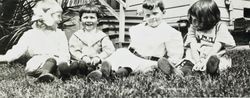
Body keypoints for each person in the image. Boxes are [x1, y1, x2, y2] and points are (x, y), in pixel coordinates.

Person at [92, 0, 185, 79]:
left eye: (155, 13)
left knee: (129, 68)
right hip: (134, 56)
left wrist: (170, 65)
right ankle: (102, 71)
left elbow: (175, 56)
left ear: (163, 12)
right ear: (144, 16)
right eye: (148, 15)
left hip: (150, 61)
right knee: (121, 53)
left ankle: (113, 74)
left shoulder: (170, 32)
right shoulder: (139, 29)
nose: (152, 18)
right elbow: (133, 46)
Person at [0, 0, 71, 82]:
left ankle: (53, 74)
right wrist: (4, 58)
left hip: (57, 62)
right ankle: (45, 74)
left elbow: (64, 52)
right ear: (47, 17)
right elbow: (17, 51)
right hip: (37, 63)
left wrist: (65, 63)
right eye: (58, 16)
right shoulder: (30, 34)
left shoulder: (60, 34)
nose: (61, 19)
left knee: (60, 64)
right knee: (51, 60)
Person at [184, 0, 236, 76]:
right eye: (192, 19)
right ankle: (181, 72)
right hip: (197, 56)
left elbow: (216, 47)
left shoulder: (219, 27)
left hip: (214, 55)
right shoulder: (193, 27)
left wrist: (205, 61)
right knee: (189, 61)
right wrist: (198, 61)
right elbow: (193, 46)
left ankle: (209, 70)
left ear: (208, 19)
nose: (193, 23)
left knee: (215, 62)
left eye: (197, 20)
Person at [68, 3, 115, 79]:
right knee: (78, 65)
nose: (88, 20)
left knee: (103, 65)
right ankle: (83, 73)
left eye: (92, 17)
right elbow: (73, 50)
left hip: (95, 63)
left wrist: (98, 57)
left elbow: (109, 50)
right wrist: (82, 56)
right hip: (81, 62)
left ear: (98, 20)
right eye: (85, 17)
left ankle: (99, 73)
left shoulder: (102, 36)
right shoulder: (76, 35)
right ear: (80, 20)